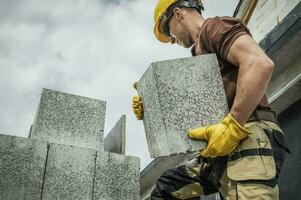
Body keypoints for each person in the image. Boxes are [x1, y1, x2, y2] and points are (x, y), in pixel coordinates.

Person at [132, 0, 290, 199]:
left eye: (168, 30)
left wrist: (233, 125)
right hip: (220, 147)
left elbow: (258, 63)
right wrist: (152, 110)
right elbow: (192, 112)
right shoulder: (197, 55)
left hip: (247, 135)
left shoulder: (215, 27)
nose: (171, 40)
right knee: (168, 188)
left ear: (179, 14)